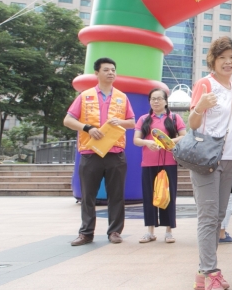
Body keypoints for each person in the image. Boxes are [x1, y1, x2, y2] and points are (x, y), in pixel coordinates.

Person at [188, 37, 232, 290]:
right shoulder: (205, 84)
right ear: (213, 60)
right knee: (208, 217)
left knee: (219, 216)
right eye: (222, 57)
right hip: (206, 159)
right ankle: (211, 273)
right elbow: (192, 122)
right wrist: (200, 106)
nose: (228, 62)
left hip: (229, 158)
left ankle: (203, 273)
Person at [63, 57, 135, 246]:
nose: (111, 73)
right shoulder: (85, 96)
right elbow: (68, 120)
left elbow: (132, 122)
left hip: (115, 153)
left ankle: (115, 232)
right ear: (97, 73)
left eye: (113, 70)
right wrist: (87, 128)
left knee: (116, 195)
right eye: (106, 70)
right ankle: (86, 233)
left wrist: (120, 122)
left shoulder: (122, 97)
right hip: (90, 153)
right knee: (88, 196)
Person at [133, 88, 187, 244]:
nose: (156, 101)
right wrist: (147, 142)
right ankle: (150, 231)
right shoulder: (144, 119)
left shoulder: (175, 118)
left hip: (169, 162)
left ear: (165, 101)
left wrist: (167, 142)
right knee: (149, 196)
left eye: (159, 98)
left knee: (168, 196)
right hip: (148, 163)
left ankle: (169, 231)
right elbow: (136, 140)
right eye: (153, 99)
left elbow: (184, 136)